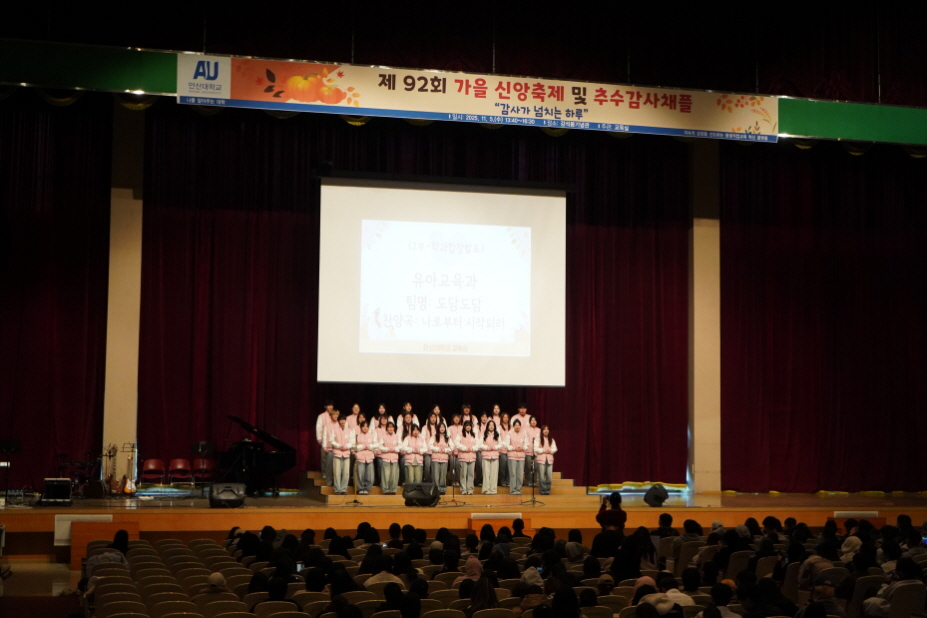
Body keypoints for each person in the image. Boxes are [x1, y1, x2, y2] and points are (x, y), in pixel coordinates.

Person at [326, 413, 354, 495]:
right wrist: (339, 446)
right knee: (337, 472)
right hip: (337, 453)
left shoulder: (349, 431)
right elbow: (331, 440)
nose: (342, 421)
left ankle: (343, 489)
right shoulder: (334, 430)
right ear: (338, 421)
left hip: (346, 453)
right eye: (341, 420)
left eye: (343, 420)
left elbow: (352, 442)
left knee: (346, 472)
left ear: (345, 421)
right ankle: (337, 489)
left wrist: (346, 446)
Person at [353, 419, 379, 495]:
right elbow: (353, 447)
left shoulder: (372, 436)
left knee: (369, 475)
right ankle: (360, 488)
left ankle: (367, 488)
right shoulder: (357, 436)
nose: (365, 428)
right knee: (360, 474)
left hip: (369, 457)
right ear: (360, 427)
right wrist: (362, 447)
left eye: (367, 426)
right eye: (363, 426)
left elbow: (376, 445)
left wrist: (369, 446)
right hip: (360, 457)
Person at [316, 400, 338, 485]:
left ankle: (332, 474)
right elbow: (319, 428)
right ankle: (324, 473)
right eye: (329, 405)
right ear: (325, 407)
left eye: (331, 405)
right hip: (325, 441)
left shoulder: (336, 415)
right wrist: (319, 439)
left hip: (335, 443)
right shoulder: (321, 416)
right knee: (324, 458)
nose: (330, 407)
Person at [504, 419, 528, 495]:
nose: (517, 426)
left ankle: (518, 489)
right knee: (513, 473)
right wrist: (514, 448)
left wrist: (523, 448)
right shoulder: (509, 433)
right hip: (512, 456)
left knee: (520, 474)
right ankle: (513, 490)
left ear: (520, 426)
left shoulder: (524, 433)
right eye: (516, 425)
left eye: (518, 425)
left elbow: (527, 444)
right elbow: (506, 444)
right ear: (513, 426)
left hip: (521, 456)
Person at [456, 420, 480, 495]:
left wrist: (472, 448)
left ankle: (470, 490)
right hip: (463, 457)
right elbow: (457, 444)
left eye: (470, 425)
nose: (468, 427)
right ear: (464, 426)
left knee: (471, 474)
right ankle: (463, 489)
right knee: (463, 474)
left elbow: (478, 444)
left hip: (472, 457)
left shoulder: (474, 435)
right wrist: (465, 448)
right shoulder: (460, 434)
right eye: (467, 425)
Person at [532, 424, 557, 496]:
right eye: (544, 429)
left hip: (549, 459)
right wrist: (543, 450)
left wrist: (550, 450)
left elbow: (555, 448)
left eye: (547, 429)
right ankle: (542, 490)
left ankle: (547, 490)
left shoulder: (551, 439)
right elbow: (535, 448)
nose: (546, 431)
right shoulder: (538, 439)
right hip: (541, 459)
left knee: (549, 477)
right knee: (541, 476)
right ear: (542, 431)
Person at [430, 421, 453, 494]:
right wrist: (437, 449)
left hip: (444, 459)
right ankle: (435, 489)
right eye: (441, 427)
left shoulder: (447, 438)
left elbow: (452, 447)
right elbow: (429, 445)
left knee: (443, 475)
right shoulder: (434, 436)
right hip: (435, 458)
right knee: (435, 475)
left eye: (443, 427)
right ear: (438, 428)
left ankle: (442, 489)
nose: (442, 429)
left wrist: (445, 450)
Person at [480, 419, 502, 494]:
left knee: (494, 473)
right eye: (490, 425)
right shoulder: (483, 434)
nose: (491, 426)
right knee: (486, 473)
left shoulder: (497, 435)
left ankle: (493, 489)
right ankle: (486, 489)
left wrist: (494, 447)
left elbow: (501, 444)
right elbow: (480, 444)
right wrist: (487, 448)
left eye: (493, 425)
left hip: (495, 456)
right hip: (486, 455)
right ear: (487, 426)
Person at [423, 408, 440, 483]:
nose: (433, 419)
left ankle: (434, 481)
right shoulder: (425, 427)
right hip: (427, 451)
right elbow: (422, 439)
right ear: (429, 418)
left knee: (435, 468)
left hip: (436, 451)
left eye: (434, 417)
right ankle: (427, 480)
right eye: (431, 417)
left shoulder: (438, 428)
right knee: (427, 467)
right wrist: (425, 448)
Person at [524, 415, 541, 487]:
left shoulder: (539, 430)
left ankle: (534, 481)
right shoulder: (526, 430)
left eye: (535, 420)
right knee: (528, 467)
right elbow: (525, 440)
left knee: (536, 467)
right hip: (528, 451)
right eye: (532, 420)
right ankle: (528, 481)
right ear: (529, 422)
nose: (533, 422)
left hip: (536, 452)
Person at [498, 412, 511, 487]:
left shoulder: (511, 427)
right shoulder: (499, 427)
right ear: (502, 418)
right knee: (502, 466)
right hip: (502, 450)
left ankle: (508, 481)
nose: (505, 419)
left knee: (509, 467)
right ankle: (502, 481)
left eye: (507, 417)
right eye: (504, 417)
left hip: (509, 450)